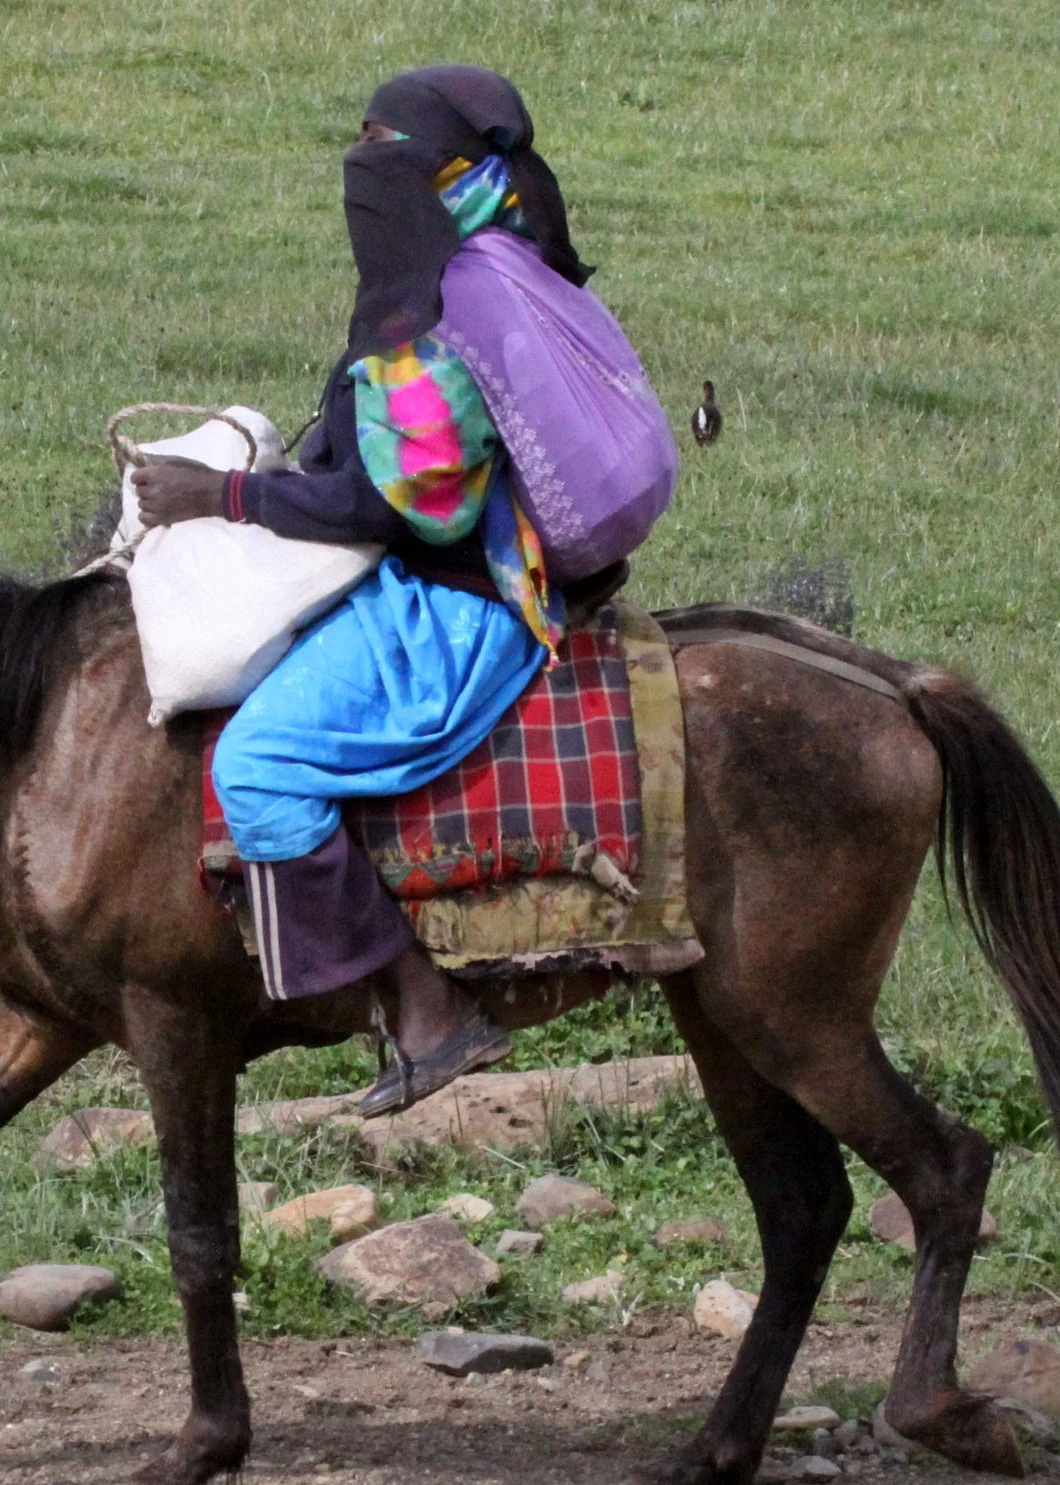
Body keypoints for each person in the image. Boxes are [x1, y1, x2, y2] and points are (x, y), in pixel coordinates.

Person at [135, 65, 665, 1118]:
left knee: (258, 763)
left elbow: (393, 510)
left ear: (444, 173)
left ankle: (424, 1010)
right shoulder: (499, 266)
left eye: (384, 146)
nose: (362, 166)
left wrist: (224, 494)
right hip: (444, 576)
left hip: (454, 611)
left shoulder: (436, 325)